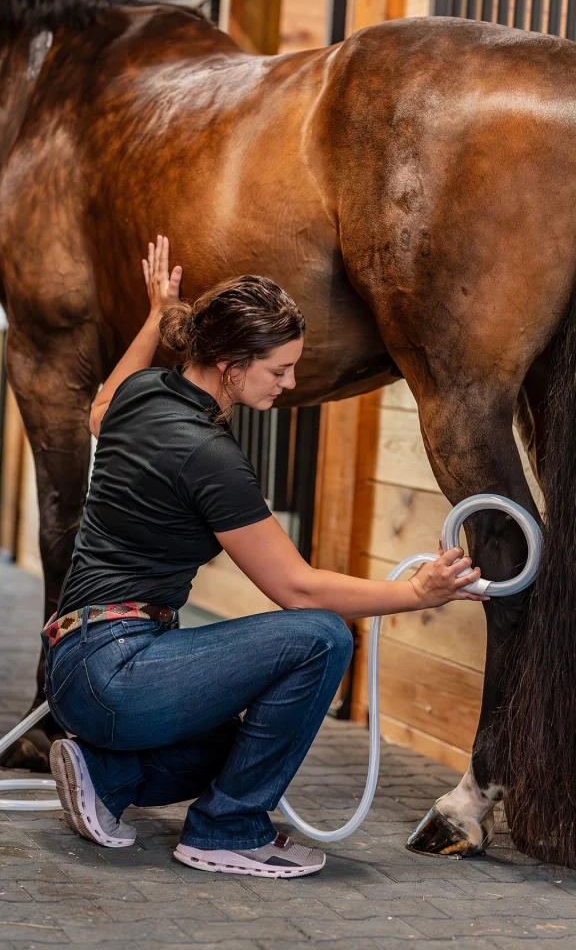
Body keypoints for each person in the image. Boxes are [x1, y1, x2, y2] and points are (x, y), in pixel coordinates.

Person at [44, 236, 488, 879]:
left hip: (73, 664)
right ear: (229, 364)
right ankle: (226, 832)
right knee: (320, 637)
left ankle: (107, 774)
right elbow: (298, 591)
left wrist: (153, 315)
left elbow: (99, 410)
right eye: (279, 370)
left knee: (244, 749)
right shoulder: (209, 456)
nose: (291, 382)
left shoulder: (143, 394)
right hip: (118, 671)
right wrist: (417, 593)